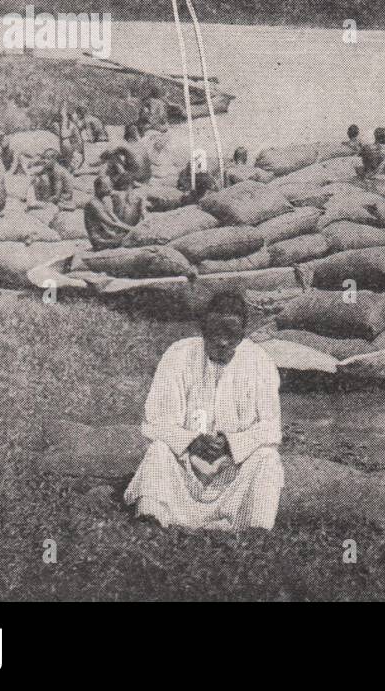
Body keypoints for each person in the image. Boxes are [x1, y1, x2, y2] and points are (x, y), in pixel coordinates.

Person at [124, 291, 284, 531]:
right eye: (215, 333)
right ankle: (153, 518)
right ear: (202, 329)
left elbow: (271, 428)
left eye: (231, 335)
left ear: (243, 334)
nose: (222, 342)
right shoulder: (178, 354)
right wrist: (191, 441)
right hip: (186, 467)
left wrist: (231, 443)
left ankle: (254, 528)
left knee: (268, 459)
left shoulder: (260, 361)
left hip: (232, 472)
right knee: (158, 452)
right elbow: (155, 421)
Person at [83, 175, 132, 249]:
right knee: (130, 240)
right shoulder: (93, 204)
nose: (109, 189)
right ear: (98, 188)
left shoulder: (104, 201)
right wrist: (133, 229)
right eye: (106, 187)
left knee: (130, 237)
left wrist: (132, 229)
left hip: (108, 236)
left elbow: (116, 220)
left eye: (109, 186)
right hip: (99, 241)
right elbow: (111, 223)